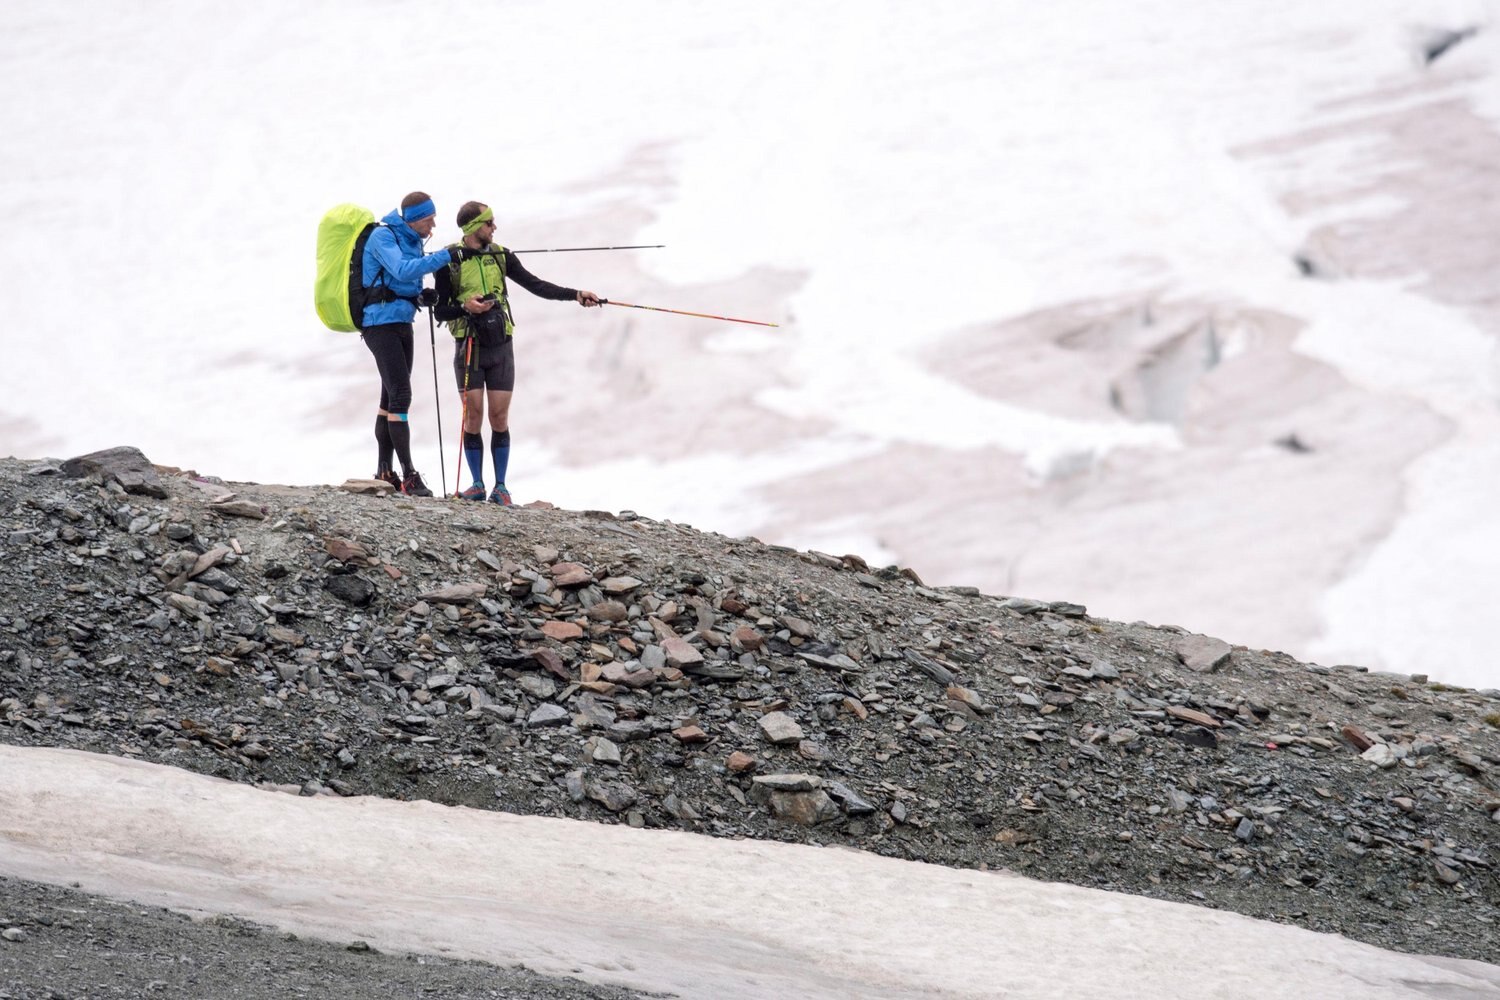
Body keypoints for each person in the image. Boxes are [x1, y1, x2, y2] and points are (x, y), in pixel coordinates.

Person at [433, 201, 601, 505]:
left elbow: (535, 285)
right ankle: (476, 484)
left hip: (501, 343)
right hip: (468, 344)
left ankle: (500, 487)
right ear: (473, 228)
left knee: (499, 417)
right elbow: (440, 311)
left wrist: (575, 295)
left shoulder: (501, 255)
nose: (494, 228)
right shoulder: (450, 260)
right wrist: (465, 307)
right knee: (473, 417)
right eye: (489, 223)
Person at [361, 192, 479, 497]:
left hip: (400, 320)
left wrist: (419, 296)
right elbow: (401, 270)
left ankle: (384, 472)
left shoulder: (411, 240)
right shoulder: (382, 237)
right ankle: (410, 475)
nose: (433, 225)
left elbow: (400, 279)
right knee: (401, 394)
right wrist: (446, 256)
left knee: (390, 397)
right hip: (379, 324)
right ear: (414, 219)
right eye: (429, 219)